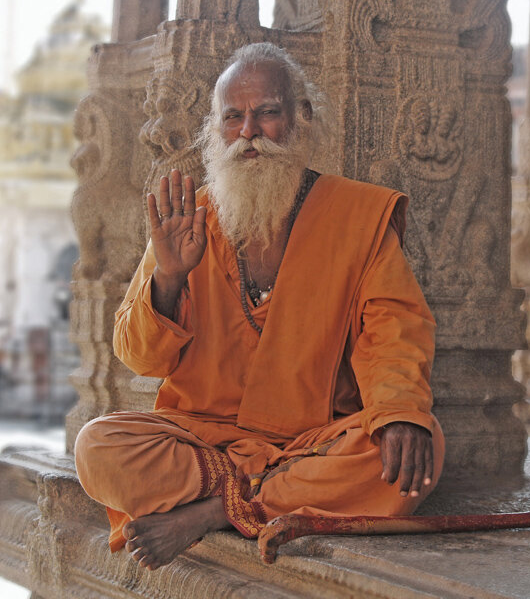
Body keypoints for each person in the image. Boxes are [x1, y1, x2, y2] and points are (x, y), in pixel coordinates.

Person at [74, 42, 444, 571]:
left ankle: (213, 512)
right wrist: (169, 276)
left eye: (267, 112)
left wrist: (401, 413)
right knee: (98, 446)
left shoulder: (357, 215)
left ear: (302, 119)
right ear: (216, 129)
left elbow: (393, 330)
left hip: (313, 444)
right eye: (233, 117)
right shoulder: (192, 217)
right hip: (207, 441)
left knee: (413, 452)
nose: (248, 132)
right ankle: (255, 499)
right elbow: (141, 358)